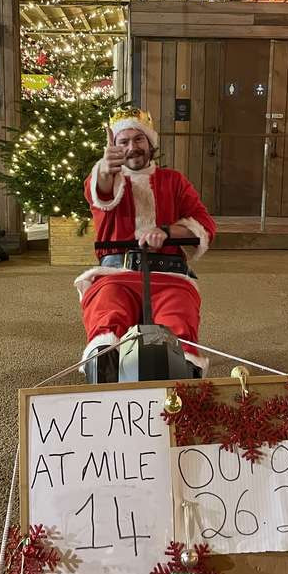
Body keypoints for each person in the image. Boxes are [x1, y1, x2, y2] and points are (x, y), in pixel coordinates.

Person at [75, 107, 216, 383]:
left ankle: (180, 394)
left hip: (169, 275)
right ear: (114, 147)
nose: (132, 148)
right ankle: (105, 385)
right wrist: (106, 167)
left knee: (178, 321)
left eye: (138, 140)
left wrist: (166, 231)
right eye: (123, 142)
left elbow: (204, 223)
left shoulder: (174, 181)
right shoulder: (108, 178)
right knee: (107, 314)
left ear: (150, 143)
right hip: (116, 275)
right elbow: (101, 189)